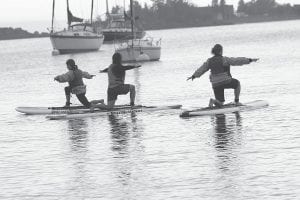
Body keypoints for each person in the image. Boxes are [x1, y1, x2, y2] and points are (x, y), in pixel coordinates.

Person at [187, 44, 259, 107]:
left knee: (220, 103)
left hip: (215, 84)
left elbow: (202, 69)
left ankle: (213, 101)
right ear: (220, 51)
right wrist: (250, 60)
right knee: (237, 84)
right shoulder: (224, 59)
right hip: (226, 81)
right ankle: (236, 102)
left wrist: (194, 76)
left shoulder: (209, 61)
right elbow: (237, 60)